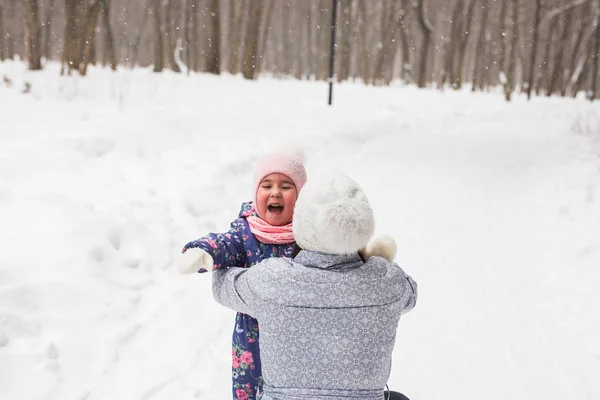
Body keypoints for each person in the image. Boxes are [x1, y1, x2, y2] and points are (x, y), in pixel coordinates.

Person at [211, 171, 418, 400]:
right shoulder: (387, 281)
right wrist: (376, 262)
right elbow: (410, 296)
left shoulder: (271, 280)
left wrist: (233, 248)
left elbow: (222, 285)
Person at [178, 150, 307, 400]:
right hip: (252, 338)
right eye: (266, 185)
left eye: (286, 186)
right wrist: (202, 251)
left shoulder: (310, 235)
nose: (275, 192)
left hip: (299, 335)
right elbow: (225, 243)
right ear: (255, 194)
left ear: (301, 196)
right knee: (250, 393)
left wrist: (363, 256)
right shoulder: (245, 232)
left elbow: (336, 255)